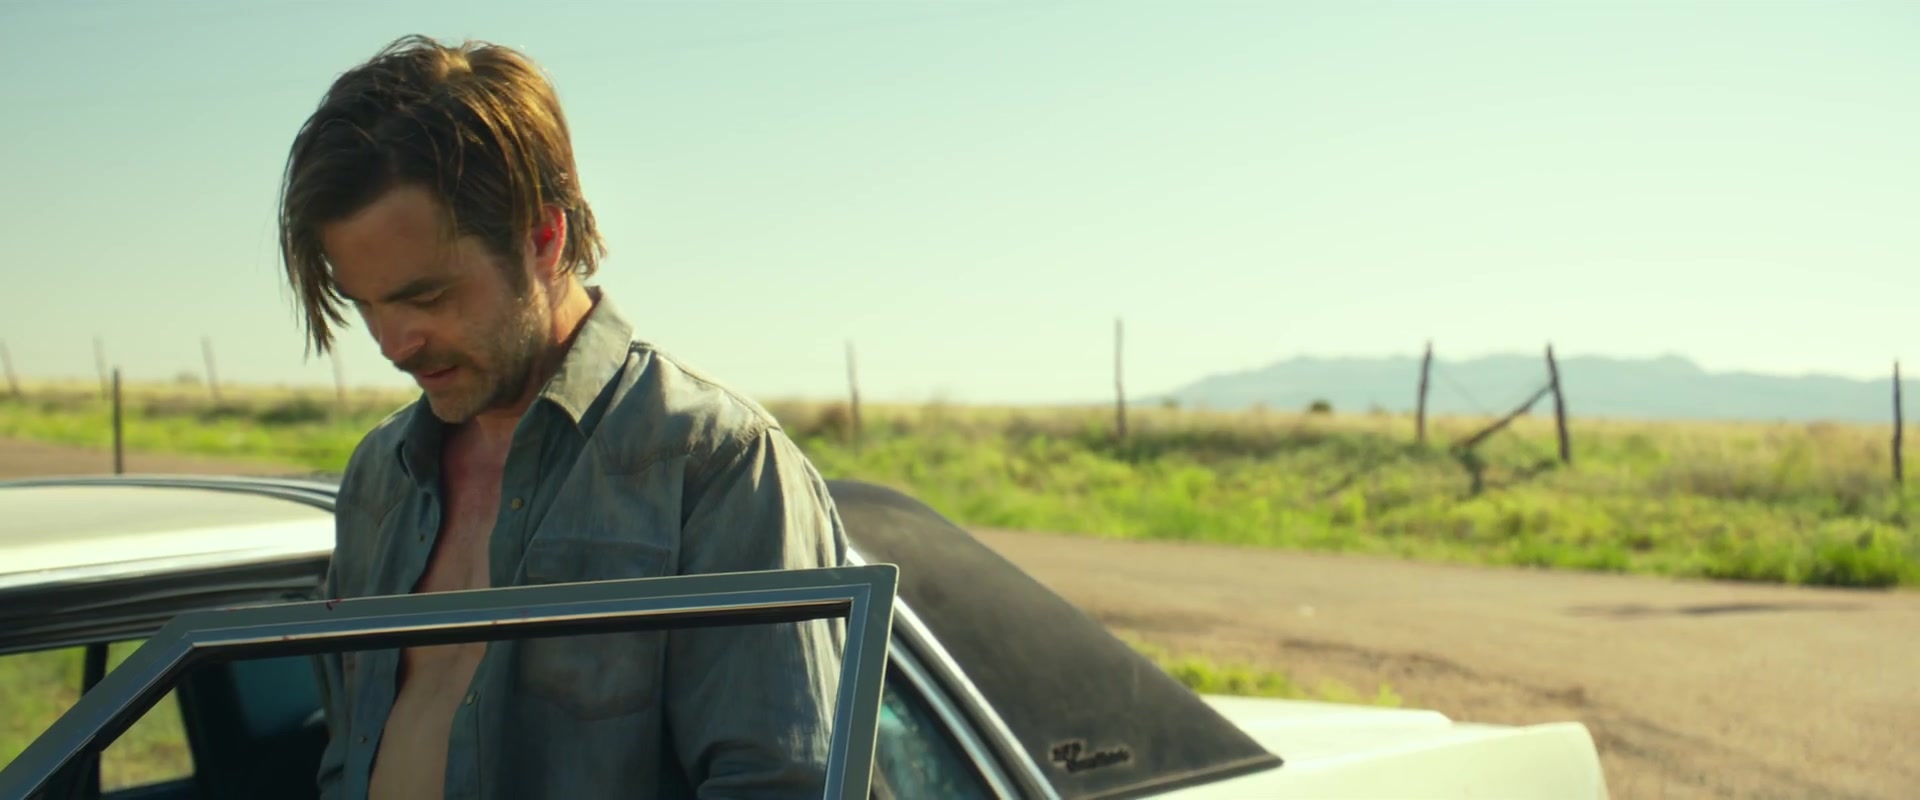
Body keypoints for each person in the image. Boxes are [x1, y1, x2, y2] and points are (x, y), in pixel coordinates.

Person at [278, 34, 850, 800]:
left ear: (544, 238)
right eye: (366, 306)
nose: (393, 343)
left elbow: (782, 785)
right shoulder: (381, 476)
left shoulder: (713, 466)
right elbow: (348, 757)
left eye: (427, 297)